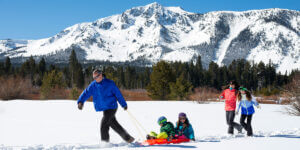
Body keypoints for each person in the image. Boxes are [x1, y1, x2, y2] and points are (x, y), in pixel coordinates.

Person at [77, 69, 134, 143]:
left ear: (100, 75)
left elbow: (118, 94)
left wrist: (124, 104)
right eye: (94, 78)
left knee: (104, 124)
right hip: (105, 108)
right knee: (113, 124)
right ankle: (128, 138)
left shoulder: (110, 83)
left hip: (112, 107)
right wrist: (80, 102)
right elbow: (86, 93)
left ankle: (105, 144)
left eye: (96, 77)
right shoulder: (93, 85)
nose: (95, 79)